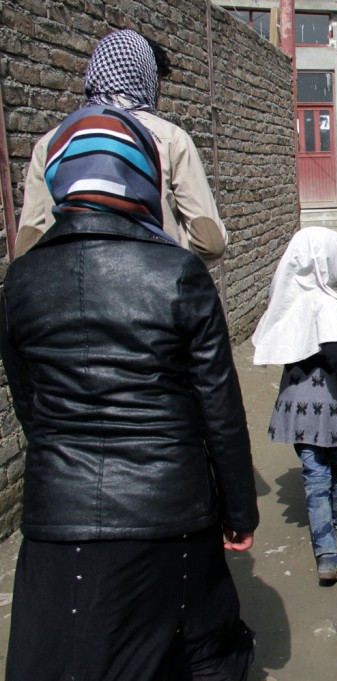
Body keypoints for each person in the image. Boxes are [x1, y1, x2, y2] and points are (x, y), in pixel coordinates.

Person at [0, 105, 258, 679]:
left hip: (56, 520)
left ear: (60, 180)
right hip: (171, 513)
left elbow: (31, 404)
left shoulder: (20, 282)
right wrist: (239, 510)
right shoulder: (178, 273)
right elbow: (218, 406)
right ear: (143, 175)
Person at [16, 29, 228, 264]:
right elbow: (211, 244)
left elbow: (27, 247)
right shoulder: (170, 140)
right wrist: (172, 250)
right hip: (152, 290)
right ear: (146, 79)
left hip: (63, 293)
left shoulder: (50, 143)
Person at [252, 227, 337, 583]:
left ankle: (326, 551)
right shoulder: (324, 302)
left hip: (296, 402)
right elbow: (335, 354)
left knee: (314, 473)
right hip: (329, 404)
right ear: (325, 262)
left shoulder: (289, 299)